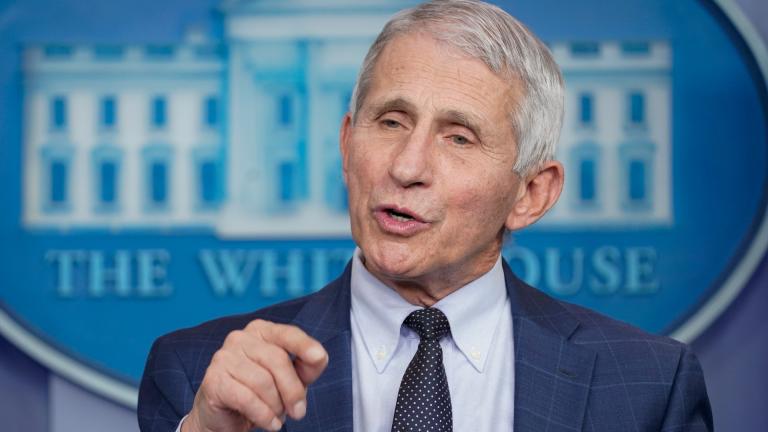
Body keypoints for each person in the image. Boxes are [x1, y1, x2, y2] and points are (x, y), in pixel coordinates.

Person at [138, 1, 713, 431]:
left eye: (459, 138)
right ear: (346, 145)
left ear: (531, 194)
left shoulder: (648, 388)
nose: (407, 166)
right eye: (390, 122)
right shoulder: (198, 375)